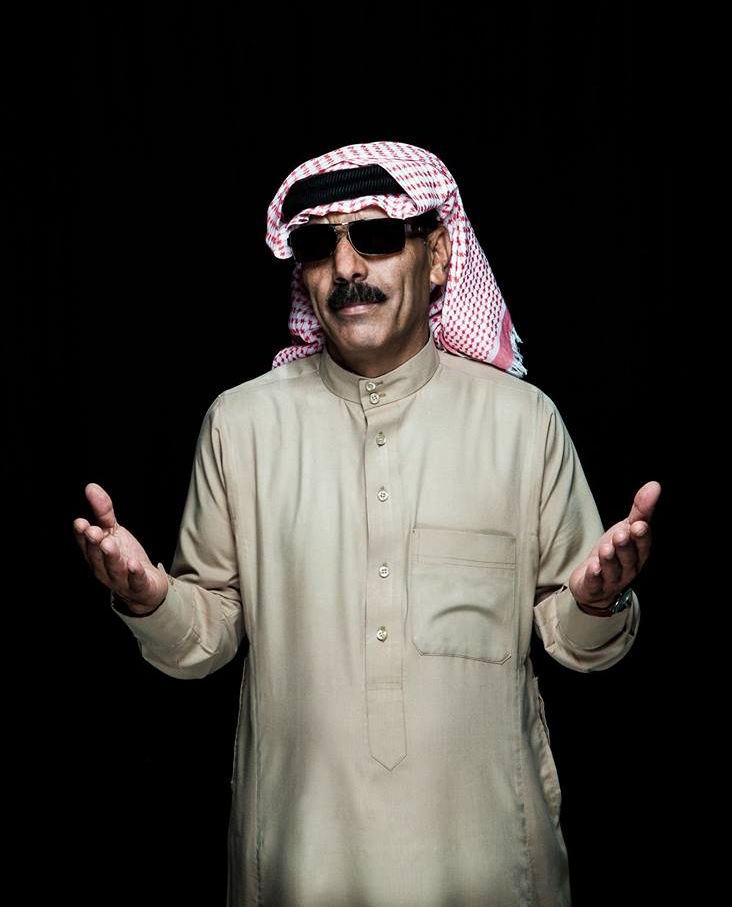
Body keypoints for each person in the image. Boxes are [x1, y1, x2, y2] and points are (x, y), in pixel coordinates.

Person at [73, 141, 660, 907]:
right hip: (298, 866)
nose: (346, 266)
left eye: (376, 236)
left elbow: (575, 641)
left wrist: (596, 600)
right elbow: (205, 636)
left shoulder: (524, 424)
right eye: (319, 246)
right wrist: (150, 599)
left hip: (489, 869)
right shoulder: (242, 426)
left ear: (438, 254)